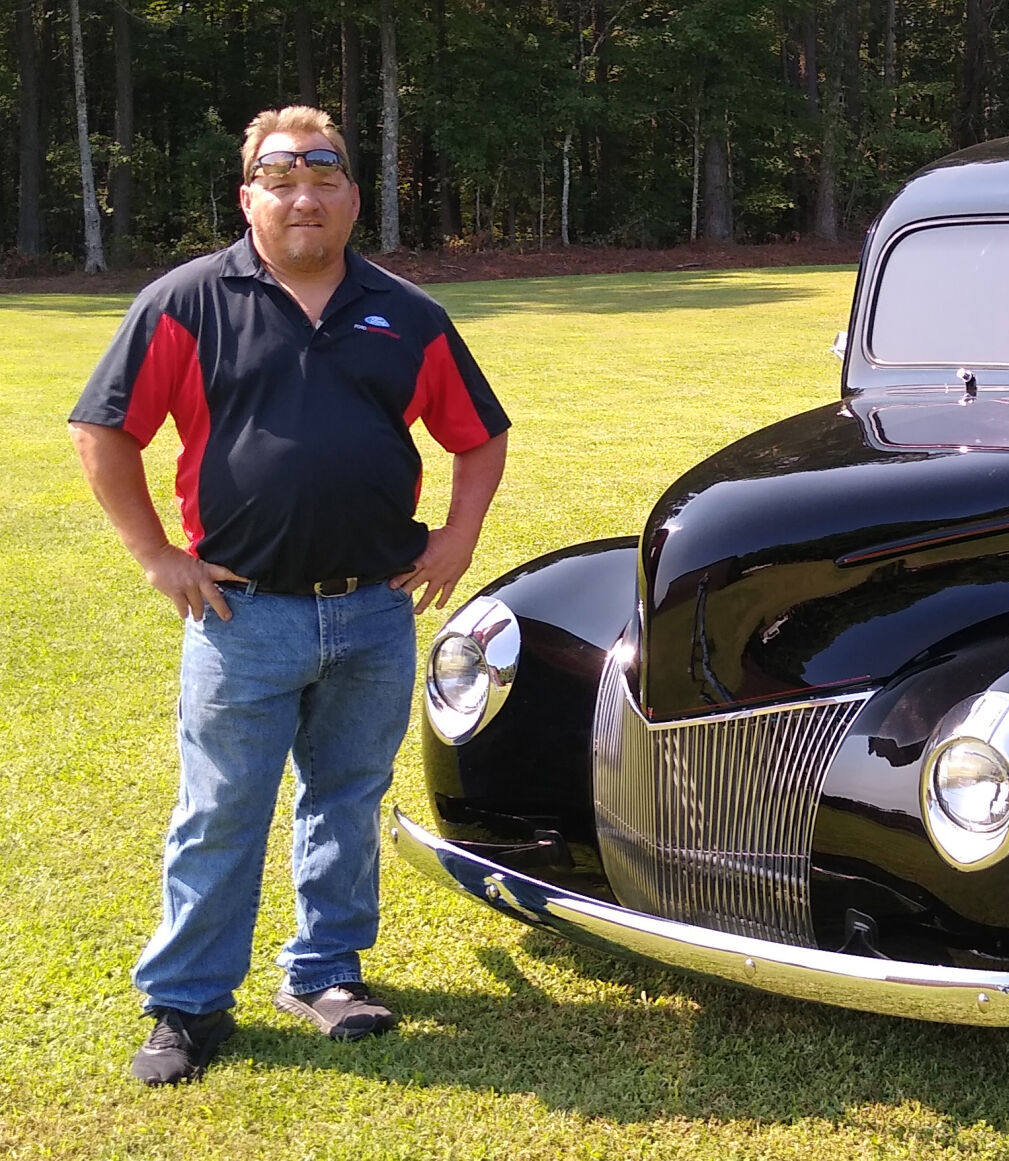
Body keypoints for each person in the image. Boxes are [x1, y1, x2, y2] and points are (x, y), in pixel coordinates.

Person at [69, 105, 510, 1086]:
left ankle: (326, 975)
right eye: (281, 178)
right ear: (248, 196)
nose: (303, 195)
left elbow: (478, 434)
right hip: (241, 617)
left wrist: (458, 538)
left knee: (348, 802)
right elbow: (105, 431)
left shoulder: (407, 314)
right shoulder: (185, 303)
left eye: (323, 177)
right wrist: (157, 558)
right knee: (220, 811)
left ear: (352, 196)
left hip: (372, 613)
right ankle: (187, 1003)